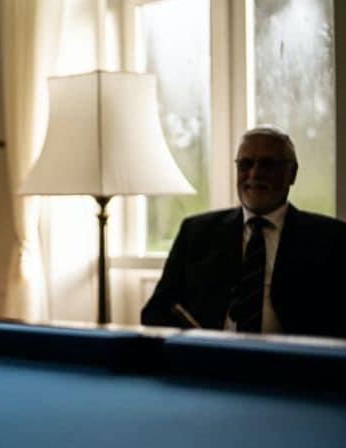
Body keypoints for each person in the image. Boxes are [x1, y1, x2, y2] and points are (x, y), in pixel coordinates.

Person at [141, 126, 346, 337]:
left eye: (267, 164)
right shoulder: (196, 233)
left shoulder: (331, 238)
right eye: (246, 164)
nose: (255, 174)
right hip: (210, 360)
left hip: (293, 363)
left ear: (291, 173)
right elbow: (156, 311)